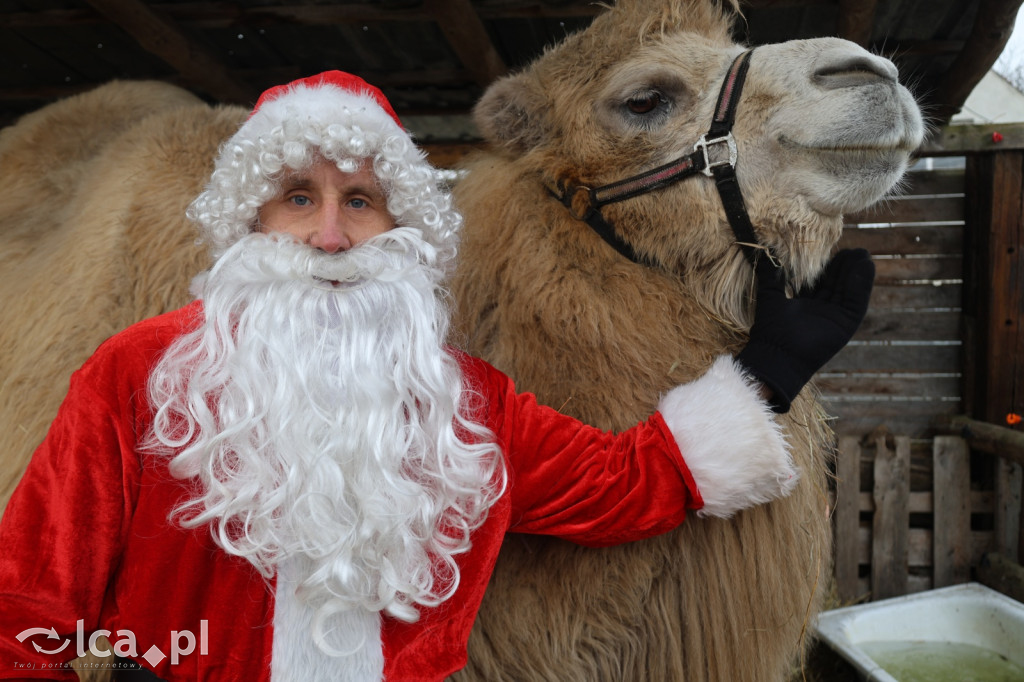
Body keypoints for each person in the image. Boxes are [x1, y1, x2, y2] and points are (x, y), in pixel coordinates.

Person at [0, 71, 873, 682]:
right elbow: (28, 597)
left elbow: (625, 484)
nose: (330, 236)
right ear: (253, 220)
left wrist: (767, 373)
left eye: (360, 201)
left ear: (399, 228)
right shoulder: (140, 373)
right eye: (299, 198)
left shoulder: (467, 402)